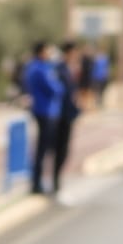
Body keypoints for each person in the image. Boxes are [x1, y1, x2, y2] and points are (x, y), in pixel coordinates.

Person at [22, 41, 64, 196]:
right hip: (45, 111)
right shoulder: (41, 69)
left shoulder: (32, 67)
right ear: (41, 52)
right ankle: (37, 183)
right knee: (43, 148)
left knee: (42, 148)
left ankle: (38, 181)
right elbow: (55, 88)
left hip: (41, 110)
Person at [51, 41, 83, 198]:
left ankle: (57, 180)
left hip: (68, 114)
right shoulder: (59, 69)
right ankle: (54, 181)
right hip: (60, 115)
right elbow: (60, 92)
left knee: (64, 149)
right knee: (59, 149)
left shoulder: (69, 68)